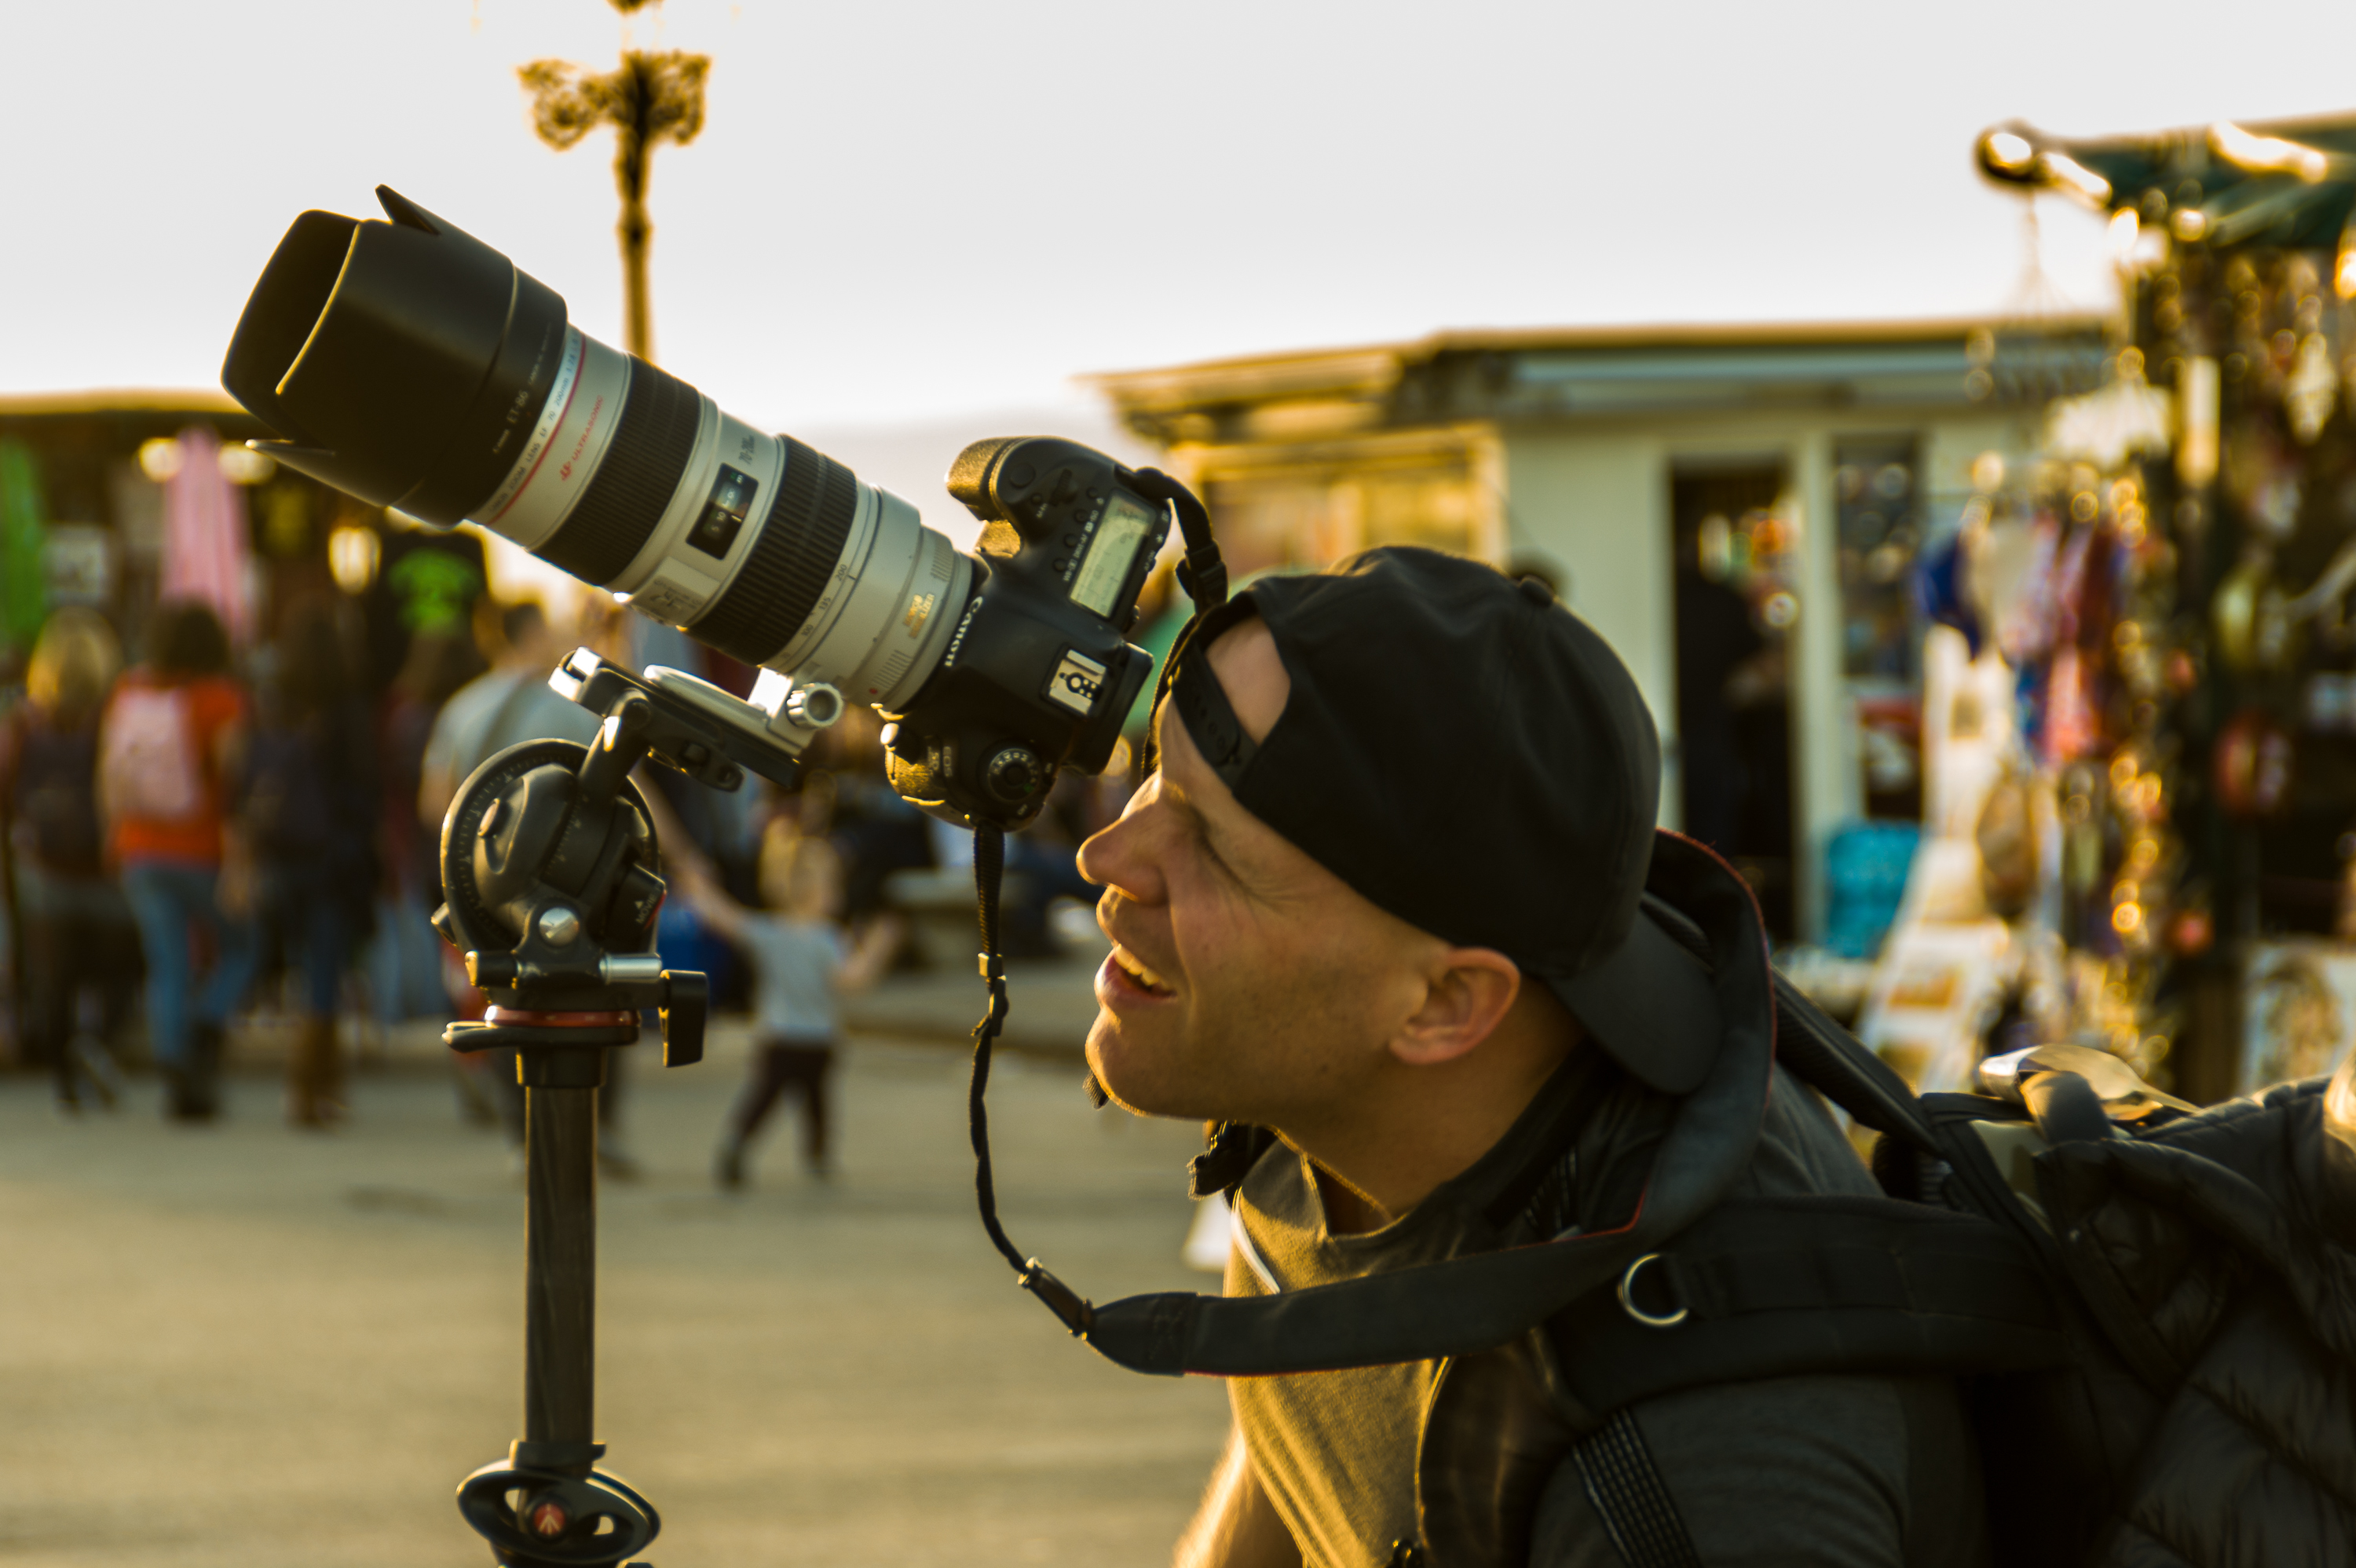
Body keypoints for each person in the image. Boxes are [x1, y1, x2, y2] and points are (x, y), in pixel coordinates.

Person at [1076, 548, 1987, 1567]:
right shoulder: (1333, 1110)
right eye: (1154, 774)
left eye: (1213, 847)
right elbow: (1311, 1444)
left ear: (1446, 1003)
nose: (1105, 860)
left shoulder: (1692, 1466)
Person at [674, 821, 900, 1189]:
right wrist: (878, 946)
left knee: (763, 1099)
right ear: (813, 890)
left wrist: (697, 885)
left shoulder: (770, 932)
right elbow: (850, 982)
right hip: (818, 1039)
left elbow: (724, 918)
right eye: (834, 884)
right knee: (817, 1105)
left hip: (778, 1036)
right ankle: (817, 1158)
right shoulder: (827, 938)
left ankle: (737, 1146)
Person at [99, 600, 256, 1123]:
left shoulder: (130, 691)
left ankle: (173, 1061)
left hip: (138, 846)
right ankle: (207, 1023)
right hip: (201, 848)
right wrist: (240, 862)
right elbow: (234, 788)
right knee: (243, 944)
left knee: (168, 962)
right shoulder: (220, 699)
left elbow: (107, 774)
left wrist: (113, 838)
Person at [244, 601, 379, 1127]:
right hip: (333, 858)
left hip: (282, 854)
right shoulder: (347, 709)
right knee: (325, 969)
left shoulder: (274, 704)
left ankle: (314, 1082)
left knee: (300, 966)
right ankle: (312, 1085)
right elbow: (364, 788)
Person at [0, 609, 133, 1111]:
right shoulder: (116, 718)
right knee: (121, 970)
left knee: (54, 979)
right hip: (104, 864)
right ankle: (95, 1043)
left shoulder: (22, 723)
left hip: (43, 868)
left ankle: (65, 1077)